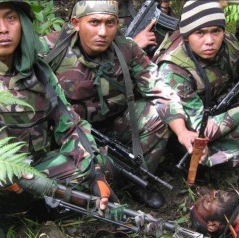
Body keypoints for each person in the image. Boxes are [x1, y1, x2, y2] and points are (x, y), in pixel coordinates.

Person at [0, 0, 118, 238]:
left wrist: (95, 172)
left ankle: (41, 207)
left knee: (98, 161)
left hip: (35, 173)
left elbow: (70, 124)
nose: (3, 29)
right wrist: (5, 174)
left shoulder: (38, 71)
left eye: (11, 18)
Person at [41, 0, 203, 209]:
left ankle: (136, 180)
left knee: (156, 115)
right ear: (76, 23)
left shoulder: (126, 49)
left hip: (114, 123)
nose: (103, 32)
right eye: (94, 22)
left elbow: (159, 89)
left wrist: (182, 132)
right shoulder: (51, 49)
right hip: (70, 133)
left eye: (110, 23)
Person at [153, 0, 239, 173]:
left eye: (216, 31)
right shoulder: (174, 70)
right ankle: (192, 166)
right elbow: (200, 129)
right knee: (238, 154)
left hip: (218, 104)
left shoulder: (228, 42)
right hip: (189, 130)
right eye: (200, 33)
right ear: (187, 36)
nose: (210, 40)